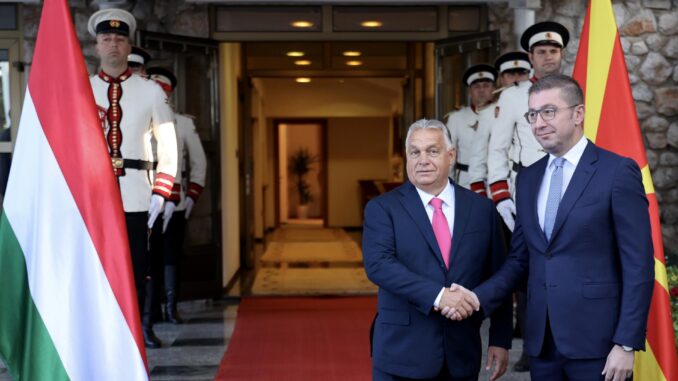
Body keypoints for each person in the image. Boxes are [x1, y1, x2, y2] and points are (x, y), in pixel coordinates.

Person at [448, 75, 655, 381]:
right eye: (533, 114)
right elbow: (521, 260)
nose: (539, 123)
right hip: (542, 347)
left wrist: (625, 342)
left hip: (600, 346)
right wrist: (477, 298)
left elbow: (638, 264)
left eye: (549, 111)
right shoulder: (529, 179)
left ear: (578, 113)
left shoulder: (617, 172)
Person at [362, 119, 512, 381]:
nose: (423, 160)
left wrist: (500, 339)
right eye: (415, 152)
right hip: (401, 354)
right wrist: (438, 296)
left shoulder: (482, 210)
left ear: (451, 155)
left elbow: (499, 275)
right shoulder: (382, 209)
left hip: (461, 353)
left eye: (432, 151)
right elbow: (379, 265)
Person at [88, 8, 178, 348]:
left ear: (129, 47)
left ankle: (133, 334)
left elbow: (168, 142)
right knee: (96, 267)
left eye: (120, 39)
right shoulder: (82, 89)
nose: (113, 45)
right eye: (106, 39)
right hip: (92, 196)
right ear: (96, 46)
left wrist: (161, 191)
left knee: (137, 268)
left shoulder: (151, 91)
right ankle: (99, 334)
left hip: (137, 194)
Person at [475, 21, 570, 233]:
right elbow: (498, 148)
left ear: (562, 54)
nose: (548, 56)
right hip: (528, 185)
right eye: (542, 51)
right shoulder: (513, 96)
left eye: (553, 51)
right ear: (531, 57)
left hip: (568, 183)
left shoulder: (575, 91)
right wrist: (500, 195)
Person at [147, 66, 207, 324]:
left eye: (163, 91)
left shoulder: (183, 123)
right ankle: (151, 310)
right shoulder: (139, 118)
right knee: (150, 256)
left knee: (171, 255)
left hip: (175, 202)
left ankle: (171, 306)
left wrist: (192, 196)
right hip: (144, 201)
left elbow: (199, 163)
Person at [445, 64, 496, 193]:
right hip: (465, 182)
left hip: (496, 181)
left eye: (486, 86)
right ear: (469, 91)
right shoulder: (457, 118)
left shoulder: (503, 114)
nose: (481, 90)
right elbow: (448, 156)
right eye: (476, 86)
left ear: (494, 88)